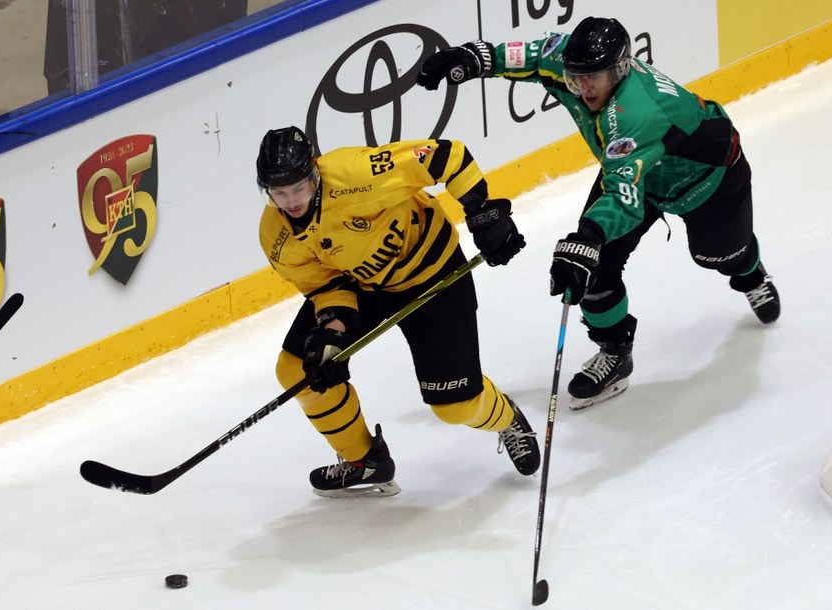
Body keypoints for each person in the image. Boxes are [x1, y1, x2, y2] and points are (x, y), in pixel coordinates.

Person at [416, 17, 781, 411]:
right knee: (590, 268)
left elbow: (624, 200)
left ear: (621, 69)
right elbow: (529, 56)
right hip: (633, 170)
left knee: (720, 256)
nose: (584, 87)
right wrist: (475, 58)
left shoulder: (636, 114)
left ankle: (750, 272)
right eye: (576, 77)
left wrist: (589, 234)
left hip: (706, 180)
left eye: (595, 77)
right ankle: (616, 351)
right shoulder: (573, 64)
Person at [256, 126, 539, 497]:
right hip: (367, 285)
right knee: (297, 370)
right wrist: (332, 333)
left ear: (314, 173)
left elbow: (446, 156)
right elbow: (326, 286)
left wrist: (482, 211)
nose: (291, 201)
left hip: (434, 274)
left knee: (456, 407)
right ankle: (364, 461)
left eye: (298, 188)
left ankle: (506, 418)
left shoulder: (356, 173)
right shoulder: (275, 235)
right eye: (279, 192)